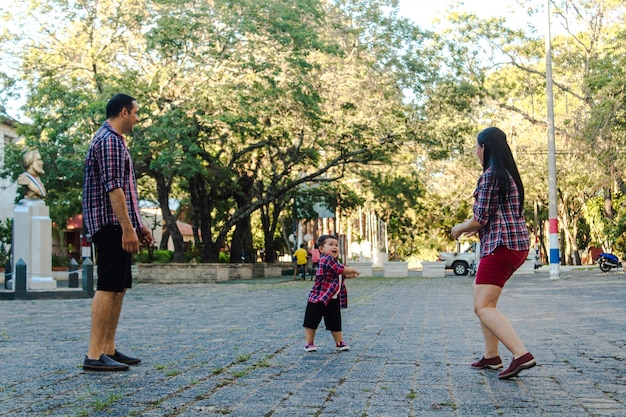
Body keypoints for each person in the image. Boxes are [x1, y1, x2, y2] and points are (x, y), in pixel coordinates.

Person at [451, 127, 536, 379]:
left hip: (501, 246)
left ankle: (521, 354)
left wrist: (460, 228)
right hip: (511, 244)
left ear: (484, 148)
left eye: (477, 147)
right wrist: (473, 228)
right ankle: (491, 356)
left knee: (483, 306)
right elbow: (490, 216)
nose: (476, 152)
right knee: (485, 304)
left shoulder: (491, 175)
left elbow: (479, 218)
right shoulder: (507, 174)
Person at [82, 94, 153, 372]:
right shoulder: (109, 140)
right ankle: (94, 354)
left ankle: (107, 349)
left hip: (118, 225)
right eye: (136, 112)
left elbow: (127, 192)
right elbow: (114, 189)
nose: (137, 118)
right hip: (110, 225)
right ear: (124, 112)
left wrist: (138, 226)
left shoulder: (115, 140)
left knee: (119, 287)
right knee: (108, 287)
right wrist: (127, 230)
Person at [303, 234, 359, 352]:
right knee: (311, 321)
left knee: (335, 321)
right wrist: (352, 269)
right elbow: (340, 269)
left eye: (336, 245)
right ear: (321, 249)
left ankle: (339, 342)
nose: (335, 247)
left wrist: (349, 276)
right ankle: (309, 343)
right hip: (318, 297)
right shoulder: (326, 259)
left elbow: (338, 275)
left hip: (332, 298)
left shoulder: (334, 261)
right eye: (331, 245)